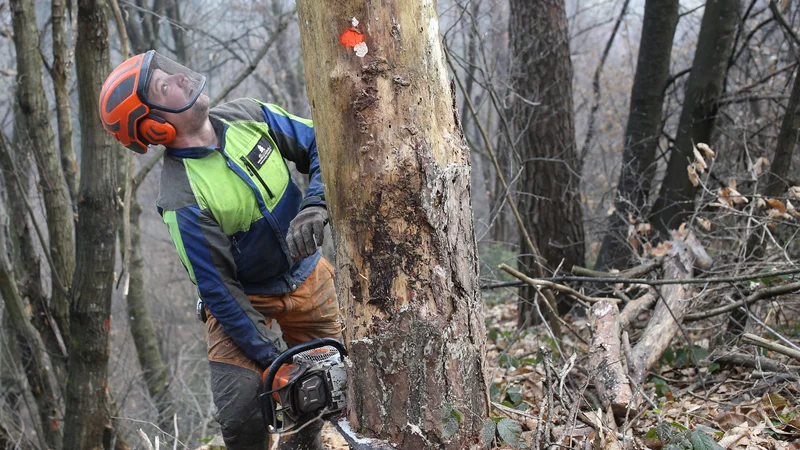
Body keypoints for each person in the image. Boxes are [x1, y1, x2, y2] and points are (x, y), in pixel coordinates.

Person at [98, 50, 341, 450]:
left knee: (341, 379)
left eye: (171, 74)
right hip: (245, 302)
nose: (179, 80)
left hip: (307, 277)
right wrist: (273, 362)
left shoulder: (249, 114)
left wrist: (315, 202)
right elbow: (220, 291)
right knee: (240, 410)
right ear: (155, 126)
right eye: (164, 85)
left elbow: (320, 141)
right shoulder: (181, 198)